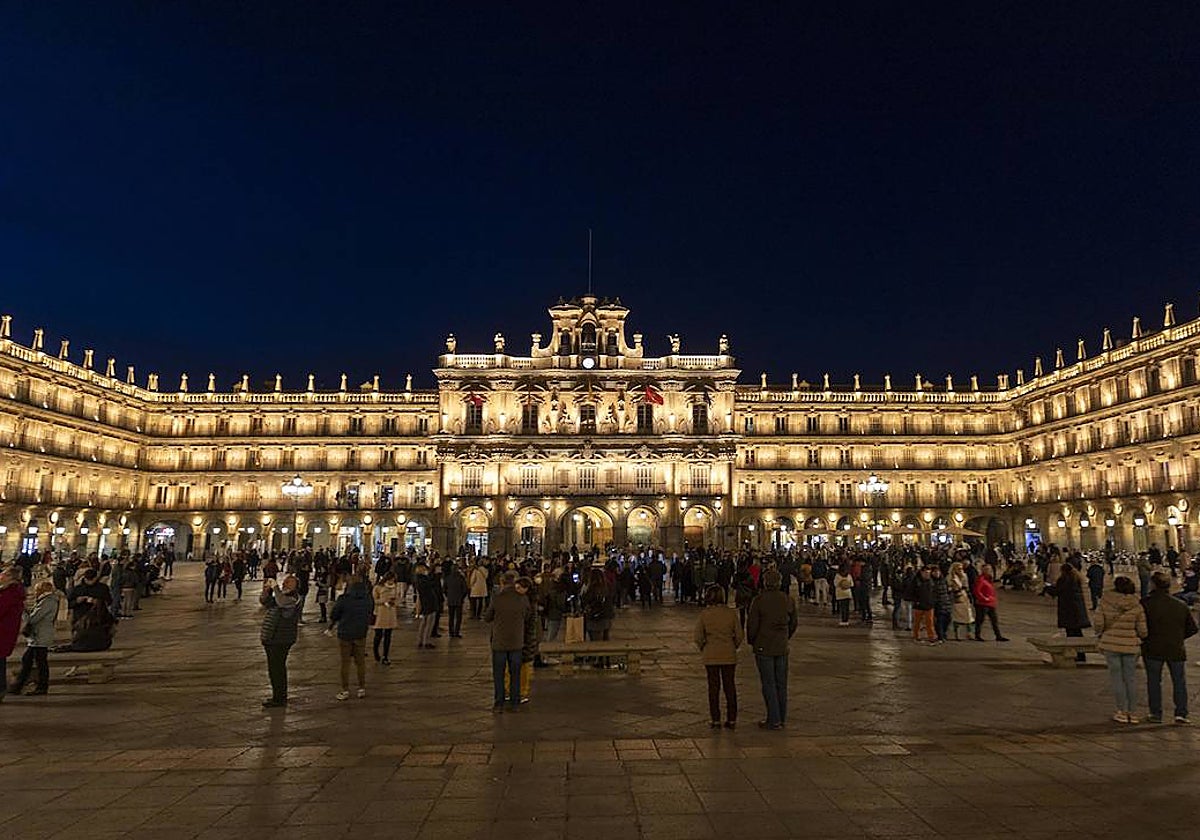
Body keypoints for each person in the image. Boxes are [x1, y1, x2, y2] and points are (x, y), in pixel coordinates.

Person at [1141, 570, 1198, 724]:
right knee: (1179, 681)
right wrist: (1178, 637)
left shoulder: (1145, 604)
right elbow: (1192, 628)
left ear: (1153, 585)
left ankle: (1155, 713)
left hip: (1152, 648)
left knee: (1154, 682)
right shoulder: (1180, 605)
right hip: (1175, 648)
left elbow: (1140, 627)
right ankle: (1181, 713)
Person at [745, 569, 796, 730]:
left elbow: (752, 625)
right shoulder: (787, 599)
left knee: (768, 683)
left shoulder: (759, 600)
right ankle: (781, 717)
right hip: (781, 646)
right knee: (781, 683)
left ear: (765, 582)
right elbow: (793, 623)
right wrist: (785, 637)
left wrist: (752, 641)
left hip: (764, 645)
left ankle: (773, 719)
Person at [1093, 575, 1147, 724]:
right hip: (1130, 645)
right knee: (1130, 678)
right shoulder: (1137, 605)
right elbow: (1143, 631)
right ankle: (1133, 713)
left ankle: (1121, 711)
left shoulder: (1105, 602)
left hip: (1111, 644)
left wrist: (1100, 633)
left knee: (1117, 678)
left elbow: (1098, 623)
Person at [694, 583, 742, 729]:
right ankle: (732, 718)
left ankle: (715, 719)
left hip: (711, 655)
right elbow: (739, 635)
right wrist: (733, 646)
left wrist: (704, 647)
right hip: (728, 654)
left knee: (713, 688)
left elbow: (698, 636)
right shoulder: (730, 614)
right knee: (730, 687)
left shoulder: (705, 615)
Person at [484, 571, 530, 712]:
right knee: (515, 674)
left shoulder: (497, 598)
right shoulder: (523, 599)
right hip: (516, 641)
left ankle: (499, 703)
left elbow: (487, 617)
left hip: (499, 642)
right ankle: (515, 703)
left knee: (499, 674)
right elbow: (527, 616)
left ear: (502, 582)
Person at [8, 580, 60, 697]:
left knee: (38, 662)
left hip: (40, 636)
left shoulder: (47, 602)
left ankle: (39, 686)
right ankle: (19, 686)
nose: (35, 592)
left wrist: (24, 612)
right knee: (28, 660)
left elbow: (33, 618)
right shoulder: (47, 601)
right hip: (38, 636)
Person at [331, 569, 374, 700]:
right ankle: (361, 688)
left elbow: (334, 615)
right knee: (360, 662)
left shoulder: (344, 599)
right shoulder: (367, 599)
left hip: (345, 633)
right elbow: (370, 613)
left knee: (345, 663)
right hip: (360, 633)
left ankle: (345, 690)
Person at [260, 575, 300, 708]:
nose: (286, 584)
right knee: (273, 669)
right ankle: (277, 696)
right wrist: (266, 590)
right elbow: (265, 602)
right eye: (285, 581)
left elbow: (282, 602)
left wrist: (275, 588)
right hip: (271, 638)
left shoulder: (293, 599)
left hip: (281, 639)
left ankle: (279, 698)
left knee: (277, 669)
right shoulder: (281, 596)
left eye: (290, 582)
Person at [1050, 562, 1091, 662]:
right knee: (1078, 633)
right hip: (1077, 611)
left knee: (1071, 634)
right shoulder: (1076, 579)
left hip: (1068, 611)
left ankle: (1076, 655)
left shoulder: (1065, 579)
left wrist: (1047, 589)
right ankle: (1081, 655)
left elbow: (1058, 591)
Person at [0, 566, 26, 703]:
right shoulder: (11, 592)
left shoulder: (10, 593)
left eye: (3, 574)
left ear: (10, 577)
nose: (0, 576)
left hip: (2, 632)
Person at [971, 565, 1009, 642]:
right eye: (986, 569)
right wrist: (983, 598)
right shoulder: (981, 579)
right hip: (983, 604)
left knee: (994, 620)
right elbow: (977, 590)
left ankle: (998, 636)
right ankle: (977, 635)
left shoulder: (989, 579)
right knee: (980, 620)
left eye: (989, 569)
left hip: (991, 603)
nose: (988, 571)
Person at [371, 571, 399, 664]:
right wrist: (384, 601)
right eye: (390, 580)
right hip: (380, 613)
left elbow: (398, 598)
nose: (391, 582)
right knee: (378, 635)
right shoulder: (378, 587)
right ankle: (376, 652)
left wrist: (394, 602)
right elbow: (374, 600)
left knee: (388, 635)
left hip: (390, 613)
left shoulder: (395, 587)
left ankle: (385, 655)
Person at [947, 562, 975, 641]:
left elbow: (966, 587)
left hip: (964, 597)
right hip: (956, 598)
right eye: (958, 568)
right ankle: (957, 634)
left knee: (969, 616)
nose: (960, 570)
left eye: (961, 568)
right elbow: (950, 588)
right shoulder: (951, 577)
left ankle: (969, 633)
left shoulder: (964, 576)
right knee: (957, 617)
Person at [444, 562, 468, 638]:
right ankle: (456, 632)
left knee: (451, 617)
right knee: (458, 617)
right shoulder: (461, 578)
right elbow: (465, 589)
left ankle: (451, 632)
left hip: (450, 600)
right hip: (459, 600)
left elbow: (444, 589)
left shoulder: (447, 578)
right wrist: (462, 597)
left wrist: (448, 596)